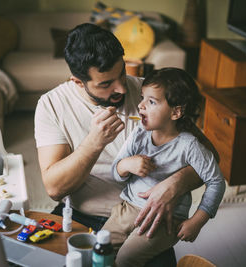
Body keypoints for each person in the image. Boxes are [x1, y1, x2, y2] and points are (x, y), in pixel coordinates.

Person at [34, 23, 218, 265]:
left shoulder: (151, 95)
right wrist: (93, 143)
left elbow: (211, 158)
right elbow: (55, 188)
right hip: (82, 216)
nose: (121, 88)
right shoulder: (52, 105)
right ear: (78, 82)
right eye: (105, 83)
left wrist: (176, 183)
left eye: (121, 73)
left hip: (148, 215)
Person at [101, 68, 226, 266]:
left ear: (176, 112)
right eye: (142, 98)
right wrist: (126, 165)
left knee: (126, 259)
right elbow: (116, 172)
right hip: (127, 209)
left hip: (164, 220)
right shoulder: (138, 134)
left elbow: (216, 182)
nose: (140, 106)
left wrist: (197, 221)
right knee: (99, 249)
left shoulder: (189, 145)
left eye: (151, 102)